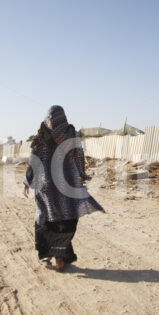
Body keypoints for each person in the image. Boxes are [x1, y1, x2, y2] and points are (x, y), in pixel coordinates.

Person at [23, 105, 104, 271]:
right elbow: (79, 156)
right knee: (66, 218)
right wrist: (81, 175)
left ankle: (45, 255)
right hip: (69, 184)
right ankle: (60, 255)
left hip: (45, 186)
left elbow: (34, 161)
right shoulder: (71, 134)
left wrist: (27, 181)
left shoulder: (41, 135)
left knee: (45, 218)